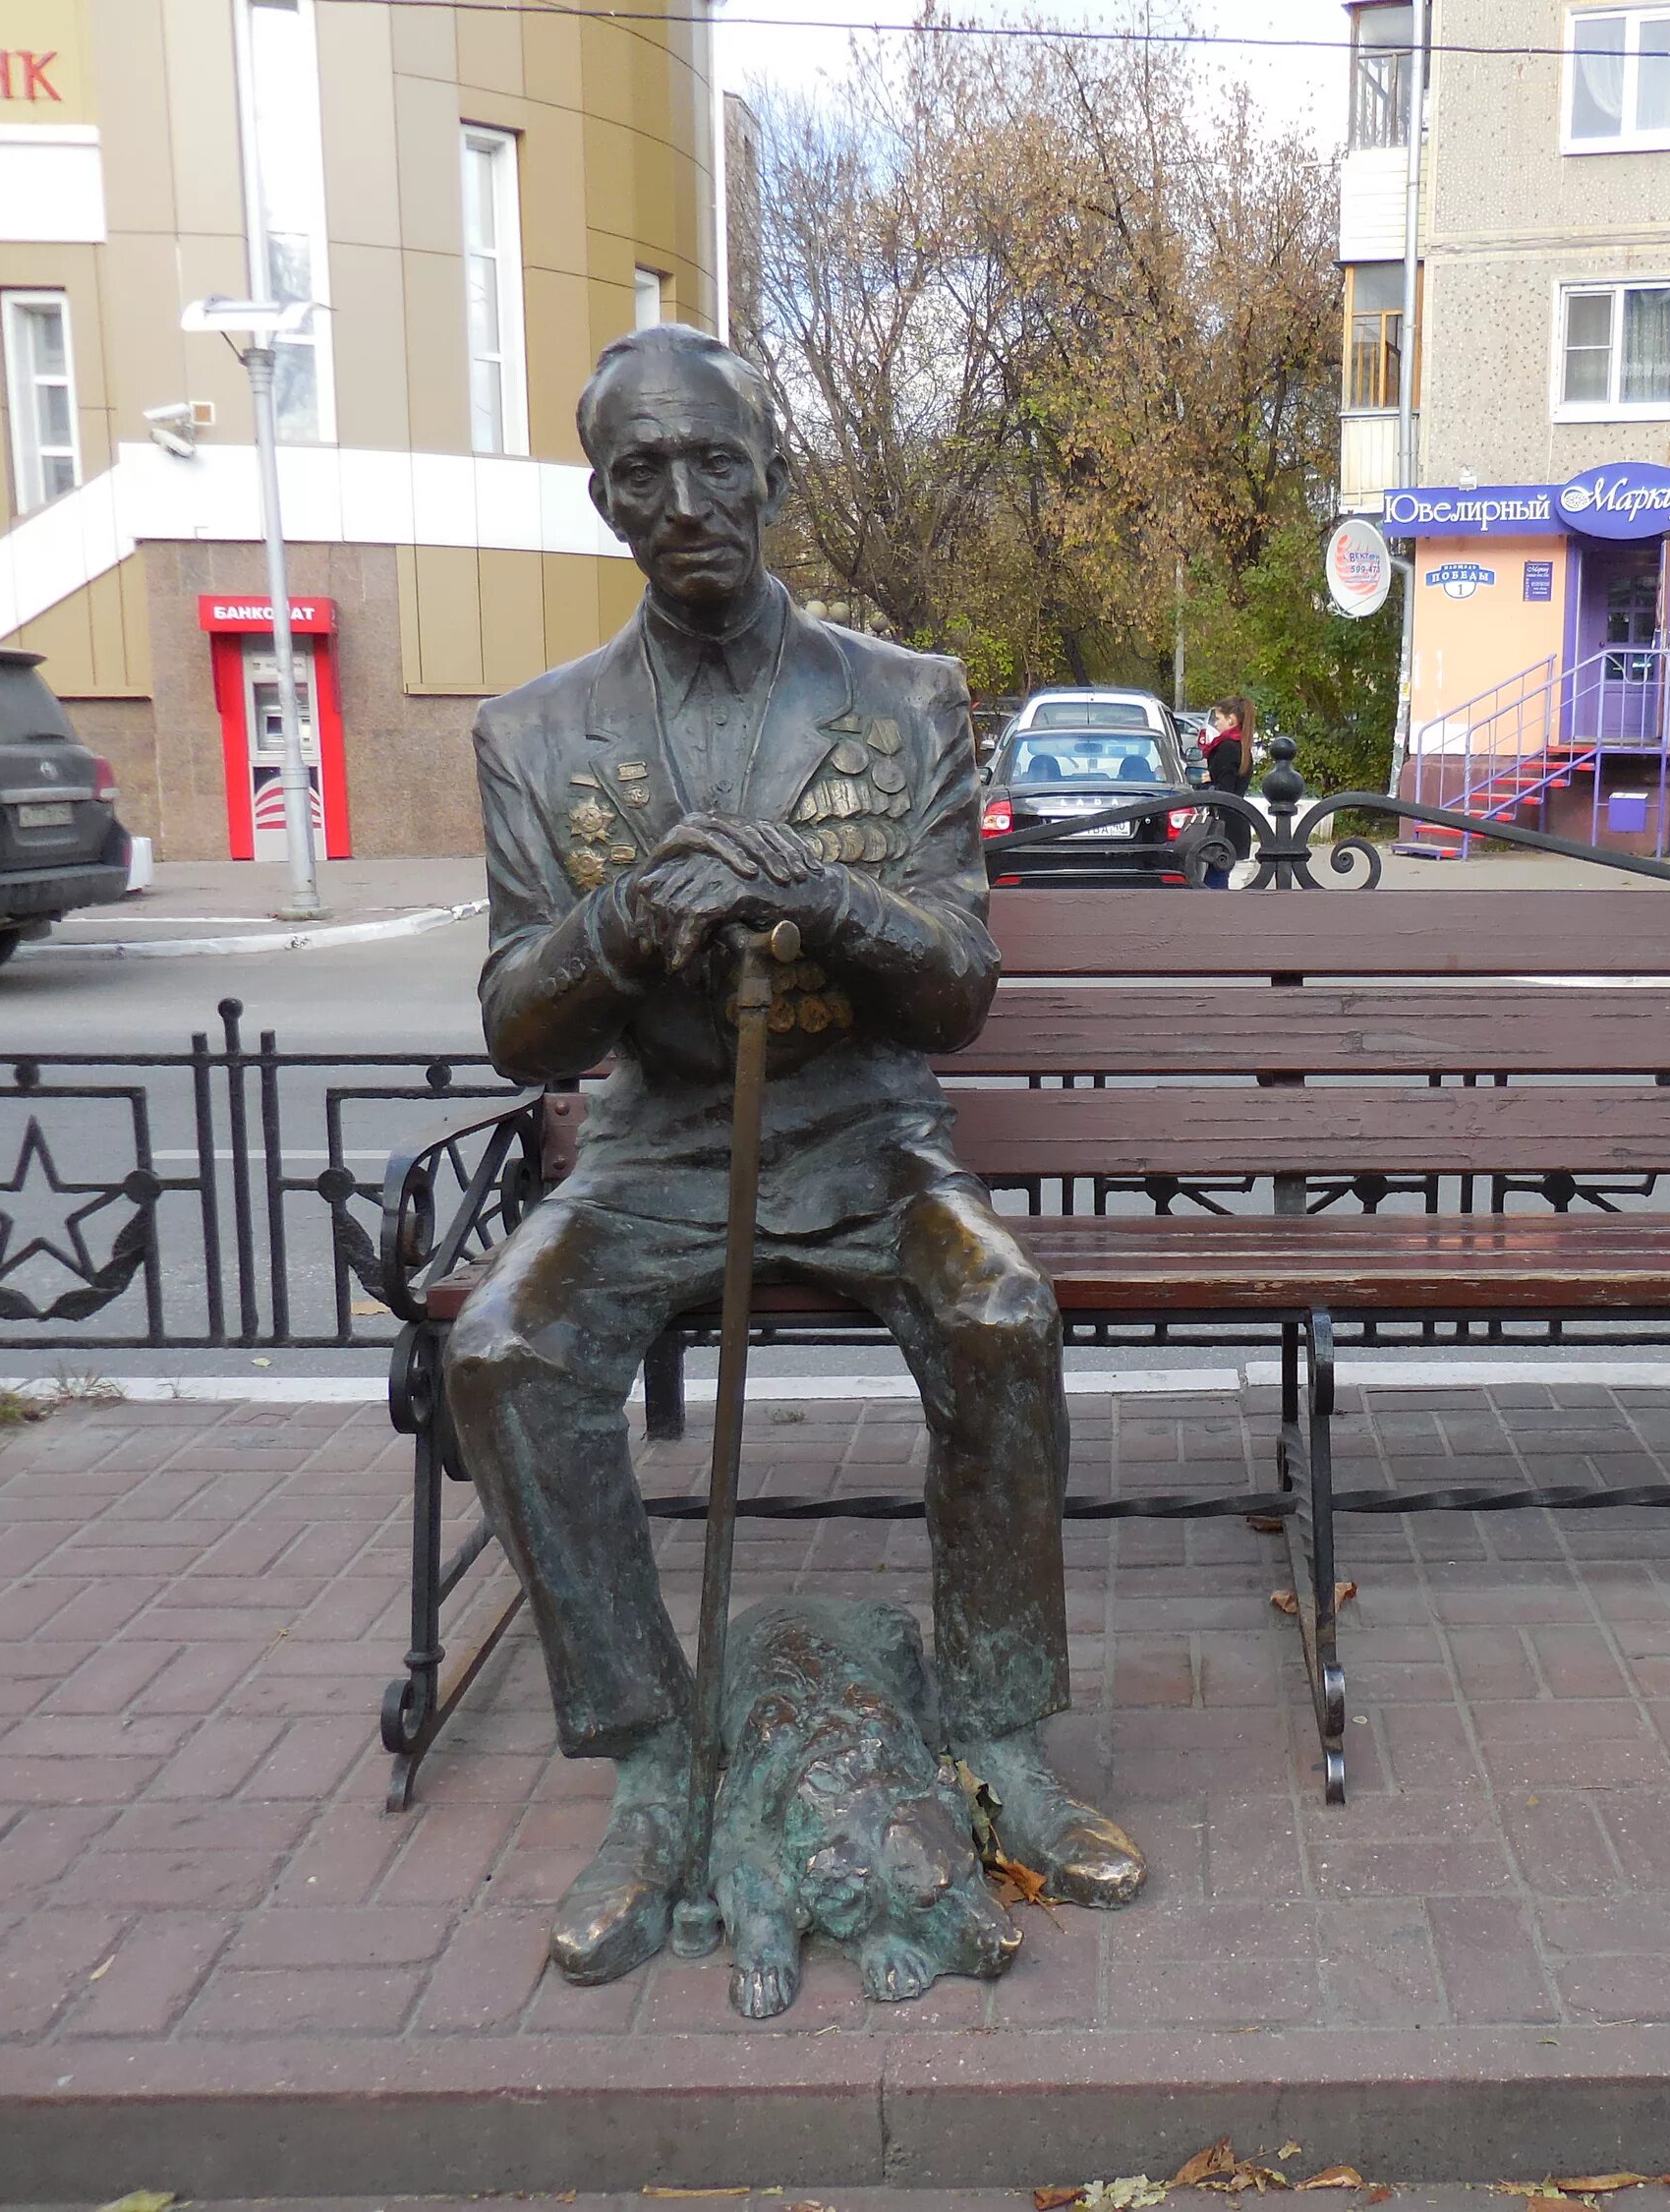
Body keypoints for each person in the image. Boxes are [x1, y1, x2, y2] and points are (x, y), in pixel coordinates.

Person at [445, 326, 1142, 1988]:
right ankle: (654, 1773)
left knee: (998, 1316)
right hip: (659, 1152)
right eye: (641, 474)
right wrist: (622, 922)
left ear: (777, 473)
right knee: (506, 1349)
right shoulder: (534, 735)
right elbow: (519, 1030)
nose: (684, 502)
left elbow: (958, 991)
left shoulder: (903, 698)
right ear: (602, 498)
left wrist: (822, 896)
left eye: (717, 463)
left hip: (867, 1138)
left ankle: (998, 1743)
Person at [1196, 694, 1254, 886]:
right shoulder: (1241, 747)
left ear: (1231, 720)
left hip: (1223, 826)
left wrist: (1206, 784)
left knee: (1215, 881)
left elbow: (1223, 792)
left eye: (1218, 718)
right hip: (1235, 824)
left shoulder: (1227, 748)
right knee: (1219, 876)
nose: (1216, 723)